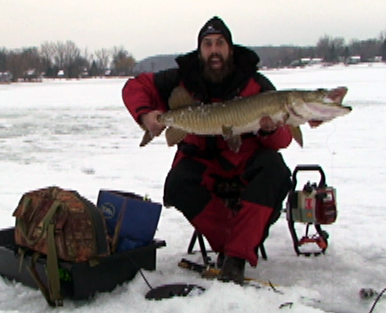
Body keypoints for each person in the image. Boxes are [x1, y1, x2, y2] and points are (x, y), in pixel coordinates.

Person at [122, 16, 293, 284]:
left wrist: (271, 130)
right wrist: (146, 116)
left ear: (230, 49)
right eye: (208, 44)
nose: (214, 50)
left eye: (220, 43)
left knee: (275, 171)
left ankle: (235, 258)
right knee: (178, 184)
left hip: (243, 160)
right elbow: (135, 87)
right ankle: (233, 243)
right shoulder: (182, 78)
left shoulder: (256, 85)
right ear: (200, 50)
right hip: (201, 161)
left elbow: (282, 140)